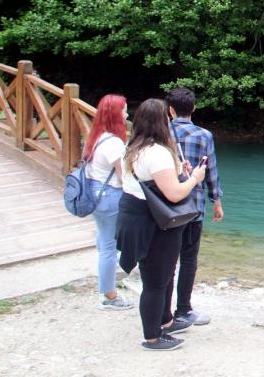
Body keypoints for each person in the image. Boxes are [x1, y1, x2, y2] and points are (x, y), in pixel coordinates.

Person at [116, 98, 207, 351]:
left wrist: (180, 172)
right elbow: (175, 194)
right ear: (164, 120)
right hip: (155, 223)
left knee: (162, 275)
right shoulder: (157, 153)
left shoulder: (131, 147)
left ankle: (165, 321)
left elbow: (147, 181)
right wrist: (195, 178)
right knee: (156, 282)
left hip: (136, 216)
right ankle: (153, 337)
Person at [166, 87, 223, 327]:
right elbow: (210, 171)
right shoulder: (204, 135)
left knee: (167, 259)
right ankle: (183, 310)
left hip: (165, 207)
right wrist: (217, 201)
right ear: (194, 108)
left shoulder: (161, 133)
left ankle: (163, 313)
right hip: (193, 207)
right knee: (189, 259)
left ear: (169, 110)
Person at [83, 94, 133, 310]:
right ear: (115, 114)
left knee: (105, 242)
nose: (127, 114)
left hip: (95, 193)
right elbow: (124, 178)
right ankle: (109, 296)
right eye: (124, 110)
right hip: (109, 196)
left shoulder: (97, 137)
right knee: (109, 247)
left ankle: (108, 288)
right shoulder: (113, 143)